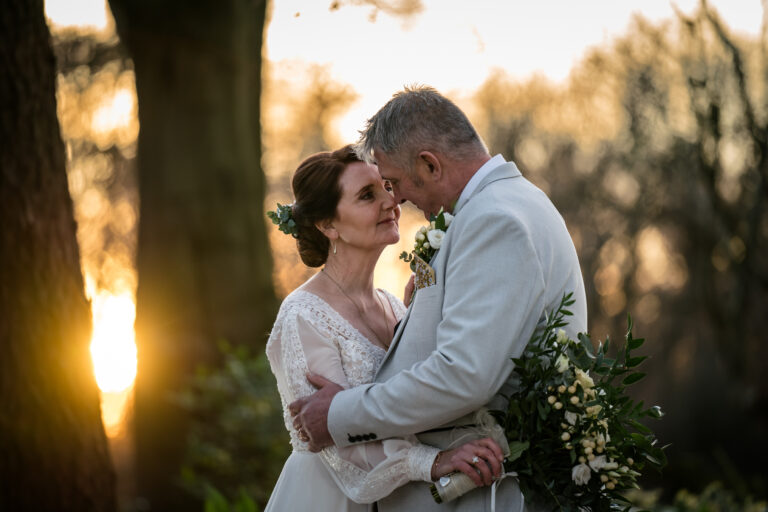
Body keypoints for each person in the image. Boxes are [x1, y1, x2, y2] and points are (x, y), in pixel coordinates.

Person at [289, 86, 588, 511]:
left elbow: (464, 373)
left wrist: (338, 415)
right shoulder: (516, 202)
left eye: (393, 182)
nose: (396, 200)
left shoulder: (493, 220)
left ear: (429, 164)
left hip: (480, 492)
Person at [264, 145, 504, 512]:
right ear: (328, 225)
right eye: (367, 195)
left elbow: (409, 399)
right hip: (328, 497)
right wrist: (433, 462)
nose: (391, 202)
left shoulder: (394, 307)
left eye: (386, 188)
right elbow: (333, 441)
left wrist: (420, 318)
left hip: (399, 501)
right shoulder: (303, 315)